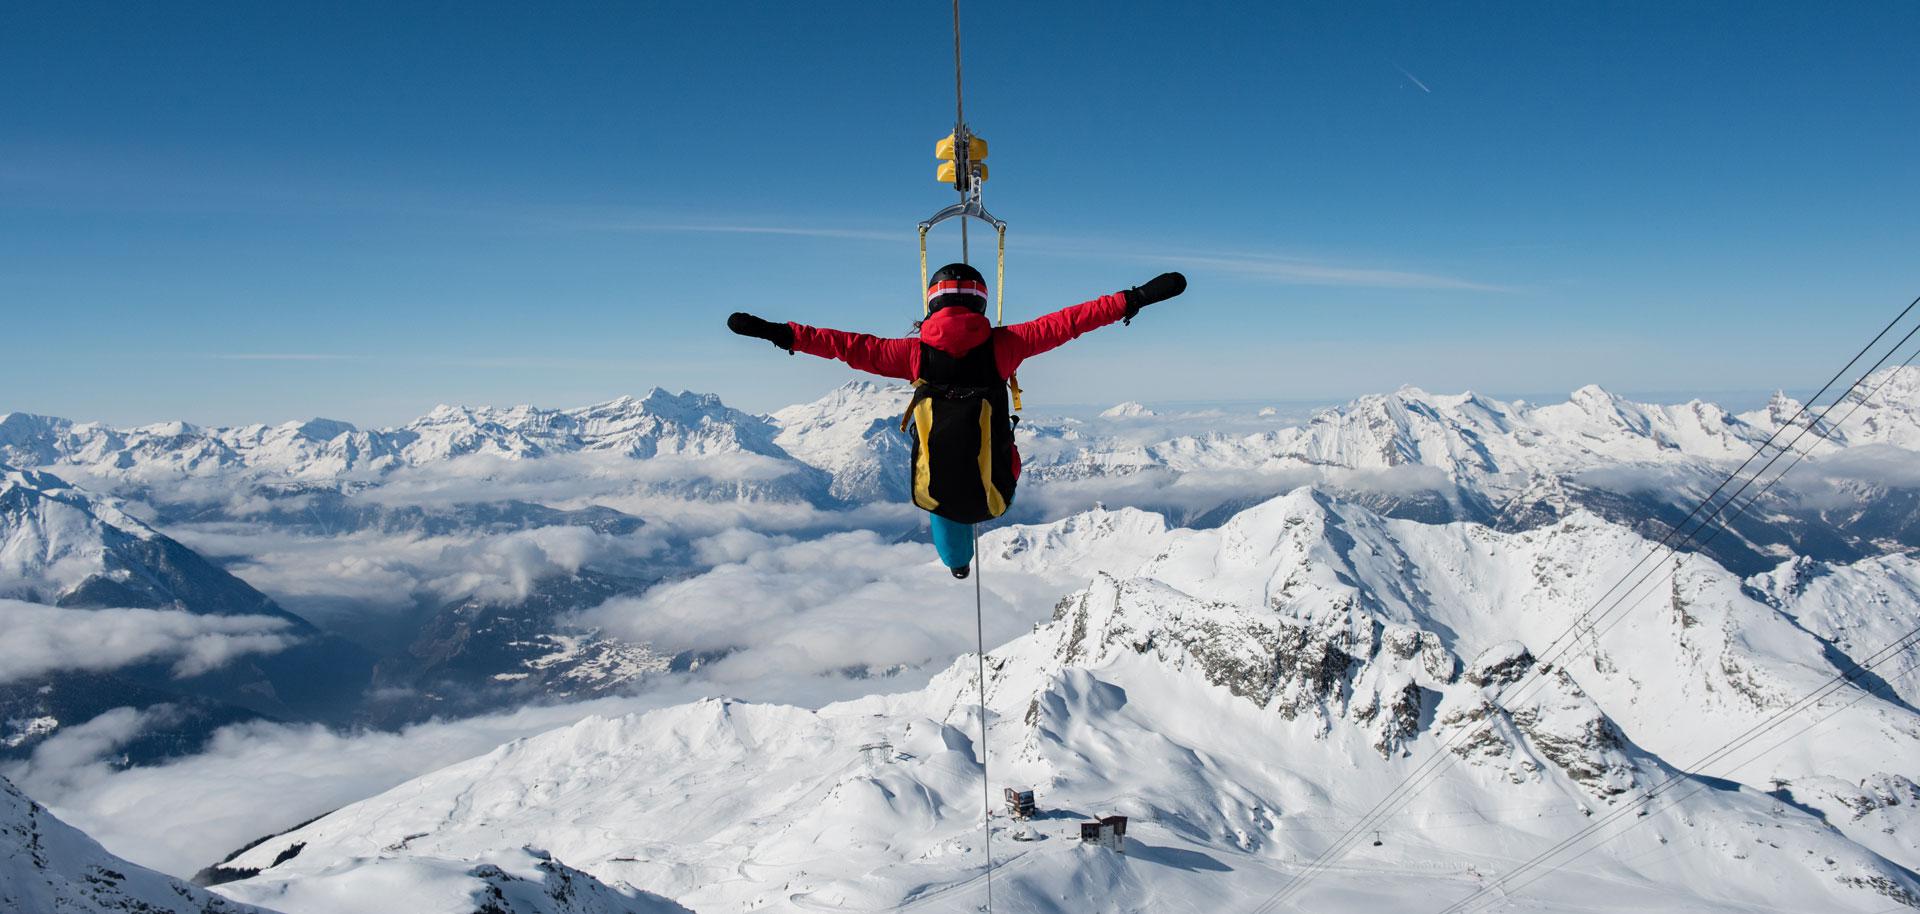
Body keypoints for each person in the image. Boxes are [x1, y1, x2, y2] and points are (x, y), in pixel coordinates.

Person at [728, 264, 1186, 578]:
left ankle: (957, 563)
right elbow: (1070, 322)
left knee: (942, 485)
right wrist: (1135, 298)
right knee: (997, 451)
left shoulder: (911, 355)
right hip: (995, 495)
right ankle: (964, 546)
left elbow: (844, 345)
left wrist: (780, 333)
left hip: (937, 489)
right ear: (981, 305)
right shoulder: (1007, 346)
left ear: (932, 305)